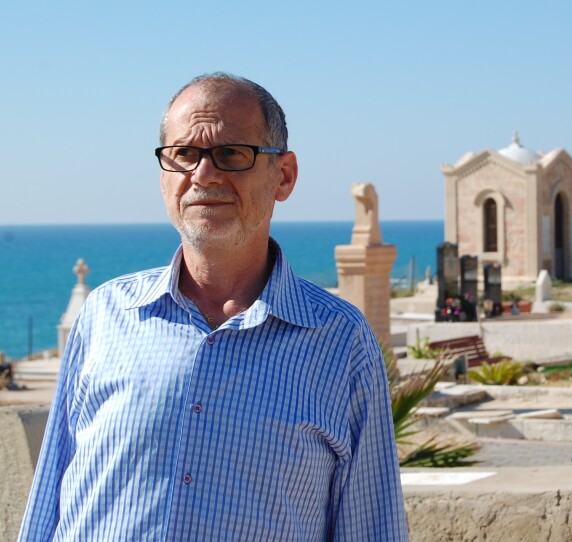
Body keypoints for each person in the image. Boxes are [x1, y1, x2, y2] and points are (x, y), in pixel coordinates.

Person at [19, 73, 409, 541]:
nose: (203, 175)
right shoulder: (106, 315)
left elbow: (371, 528)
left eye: (232, 154)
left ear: (283, 176)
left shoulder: (339, 341)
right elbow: (48, 504)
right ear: (164, 174)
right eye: (184, 154)